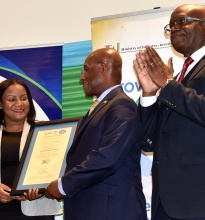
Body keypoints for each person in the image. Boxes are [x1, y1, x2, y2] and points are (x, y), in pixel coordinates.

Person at [45, 48, 147, 220]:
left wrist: (63, 185)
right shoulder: (104, 106)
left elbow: (107, 158)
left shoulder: (121, 105)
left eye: (85, 69)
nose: (81, 77)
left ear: (104, 67)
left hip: (110, 211)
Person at [133, 4, 205, 220]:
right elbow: (149, 142)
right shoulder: (179, 76)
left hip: (197, 200)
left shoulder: (173, 81)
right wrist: (149, 94)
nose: (174, 28)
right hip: (166, 201)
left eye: (182, 21)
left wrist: (167, 83)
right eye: (171, 25)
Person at [0, 79, 62, 220]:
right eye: (11, 99)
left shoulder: (45, 131)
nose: (19, 104)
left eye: (23, 98)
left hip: (37, 211)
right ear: (0, 104)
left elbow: (57, 170)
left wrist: (42, 190)